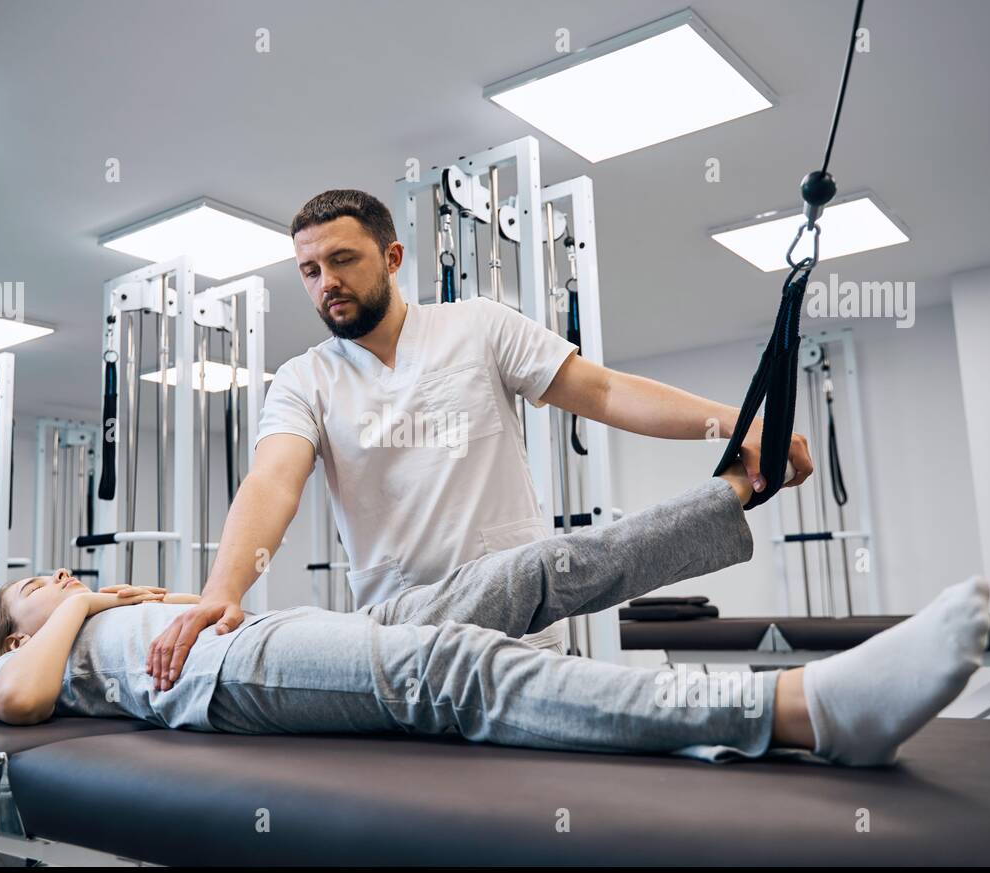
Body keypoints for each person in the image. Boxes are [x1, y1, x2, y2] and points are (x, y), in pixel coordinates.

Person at [147, 189, 816, 678]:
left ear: (393, 257)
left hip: (520, 627)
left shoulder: (476, 326)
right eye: (311, 271)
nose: (328, 283)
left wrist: (744, 422)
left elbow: (604, 391)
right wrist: (221, 595)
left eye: (343, 261)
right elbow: (272, 481)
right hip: (398, 639)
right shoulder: (304, 378)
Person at [0, 467, 990, 768]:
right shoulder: (34, 658)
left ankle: (730, 498)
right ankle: (799, 709)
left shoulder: (101, 619)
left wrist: (129, 596)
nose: (56, 573)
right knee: (459, 665)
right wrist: (80, 599)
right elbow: (22, 700)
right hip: (238, 679)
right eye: (29, 584)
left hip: (290, 633)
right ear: (10, 630)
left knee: (528, 571)